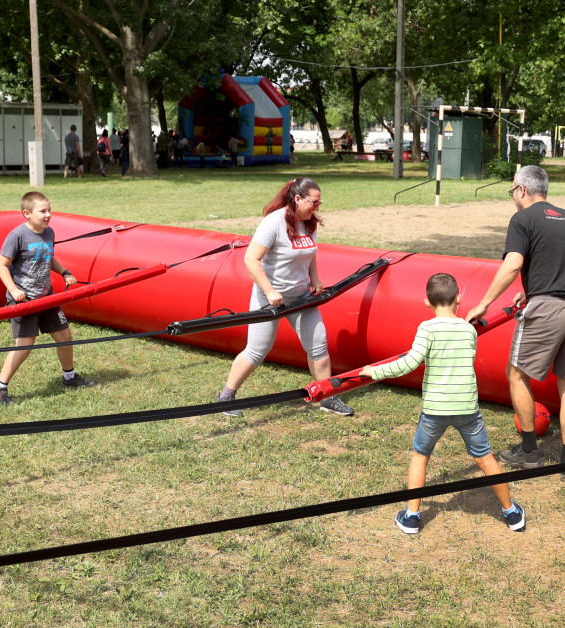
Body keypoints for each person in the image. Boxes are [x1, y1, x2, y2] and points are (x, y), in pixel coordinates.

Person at [360, 273, 525, 534]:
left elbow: (409, 363)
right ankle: (511, 512)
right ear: (458, 298)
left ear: (427, 302)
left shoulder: (427, 329)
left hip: (435, 410)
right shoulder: (469, 330)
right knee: (485, 458)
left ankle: (412, 517)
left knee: (420, 456)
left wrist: (374, 372)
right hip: (467, 409)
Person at [465, 164, 565, 482]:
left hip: (549, 310)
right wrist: (533, 288)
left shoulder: (522, 219)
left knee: (517, 374)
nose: (513, 196)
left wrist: (483, 304)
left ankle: (528, 451)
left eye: (512, 190)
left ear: (522, 190)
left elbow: (513, 264)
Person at [215, 177, 353, 418]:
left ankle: (327, 397)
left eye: (319, 203)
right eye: (313, 203)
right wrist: (269, 291)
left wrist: (315, 279)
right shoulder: (274, 222)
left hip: (302, 297)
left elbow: (310, 252)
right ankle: (226, 396)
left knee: (318, 345)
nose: (316, 208)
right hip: (270, 298)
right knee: (257, 350)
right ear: (297, 199)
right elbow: (251, 259)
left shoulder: (309, 223)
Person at [0, 191, 95, 405]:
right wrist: (14, 290)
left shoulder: (49, 233)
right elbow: (1, 265)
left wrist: (64, 272)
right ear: (27, 213)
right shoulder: (17, 235)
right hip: (24, 300)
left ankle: (69, 377)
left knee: (64, 335)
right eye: (42, 211)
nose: (48, 215)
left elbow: (48, 255)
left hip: (47, 297)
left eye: (49, 210)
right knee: (25, 345)